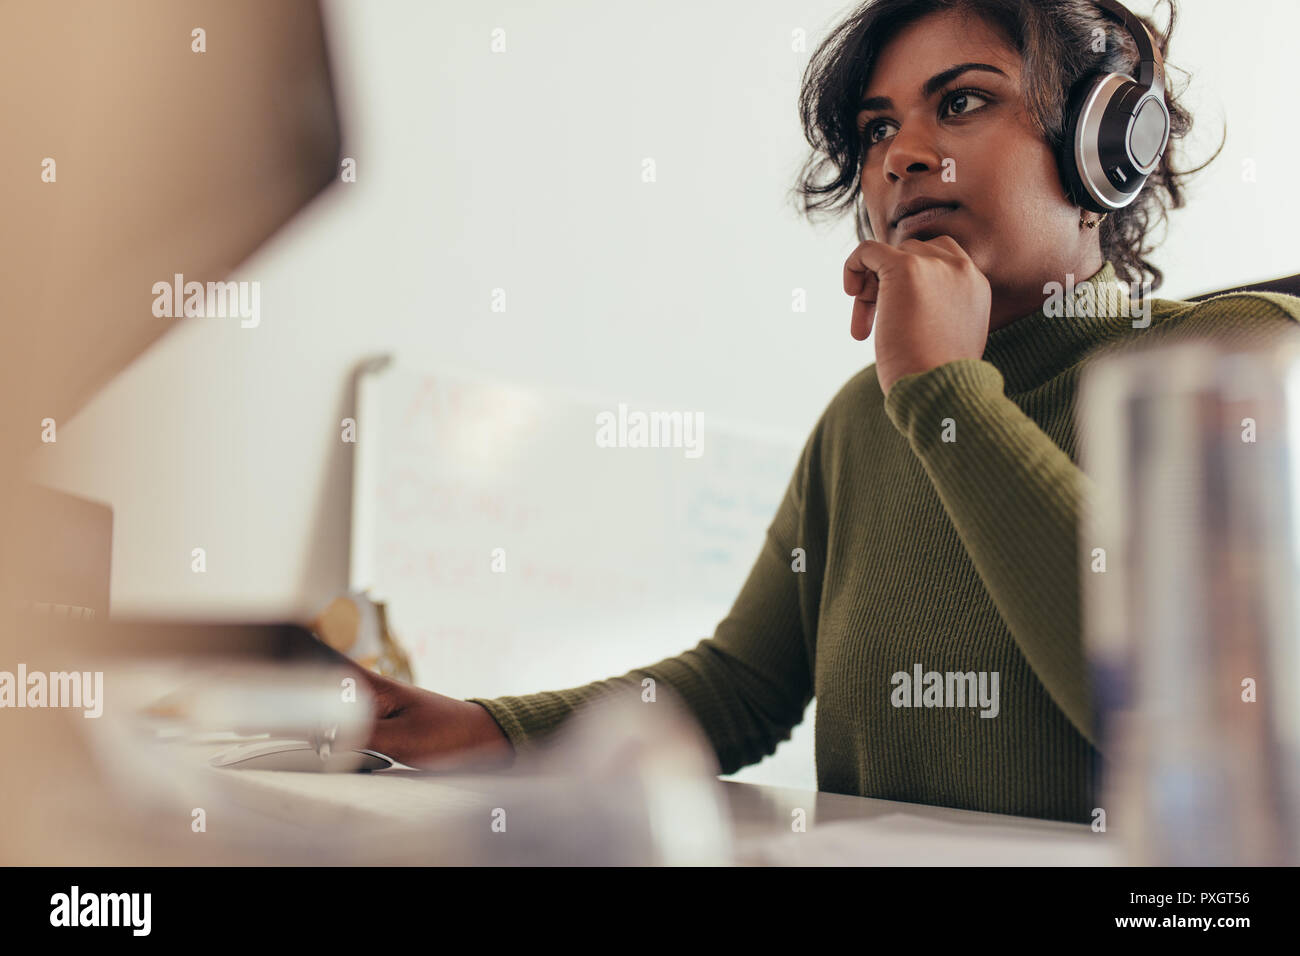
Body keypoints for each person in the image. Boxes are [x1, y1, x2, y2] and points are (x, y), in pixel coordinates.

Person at [355, 0, 1300, 822]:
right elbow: (740, 689)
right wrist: (484, 729)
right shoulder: (865, 415)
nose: (901, 158)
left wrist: (944, 396)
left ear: (1105, 147)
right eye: (877, 128)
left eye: (963, 101)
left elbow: (1194, 720)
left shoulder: (1242, 358)